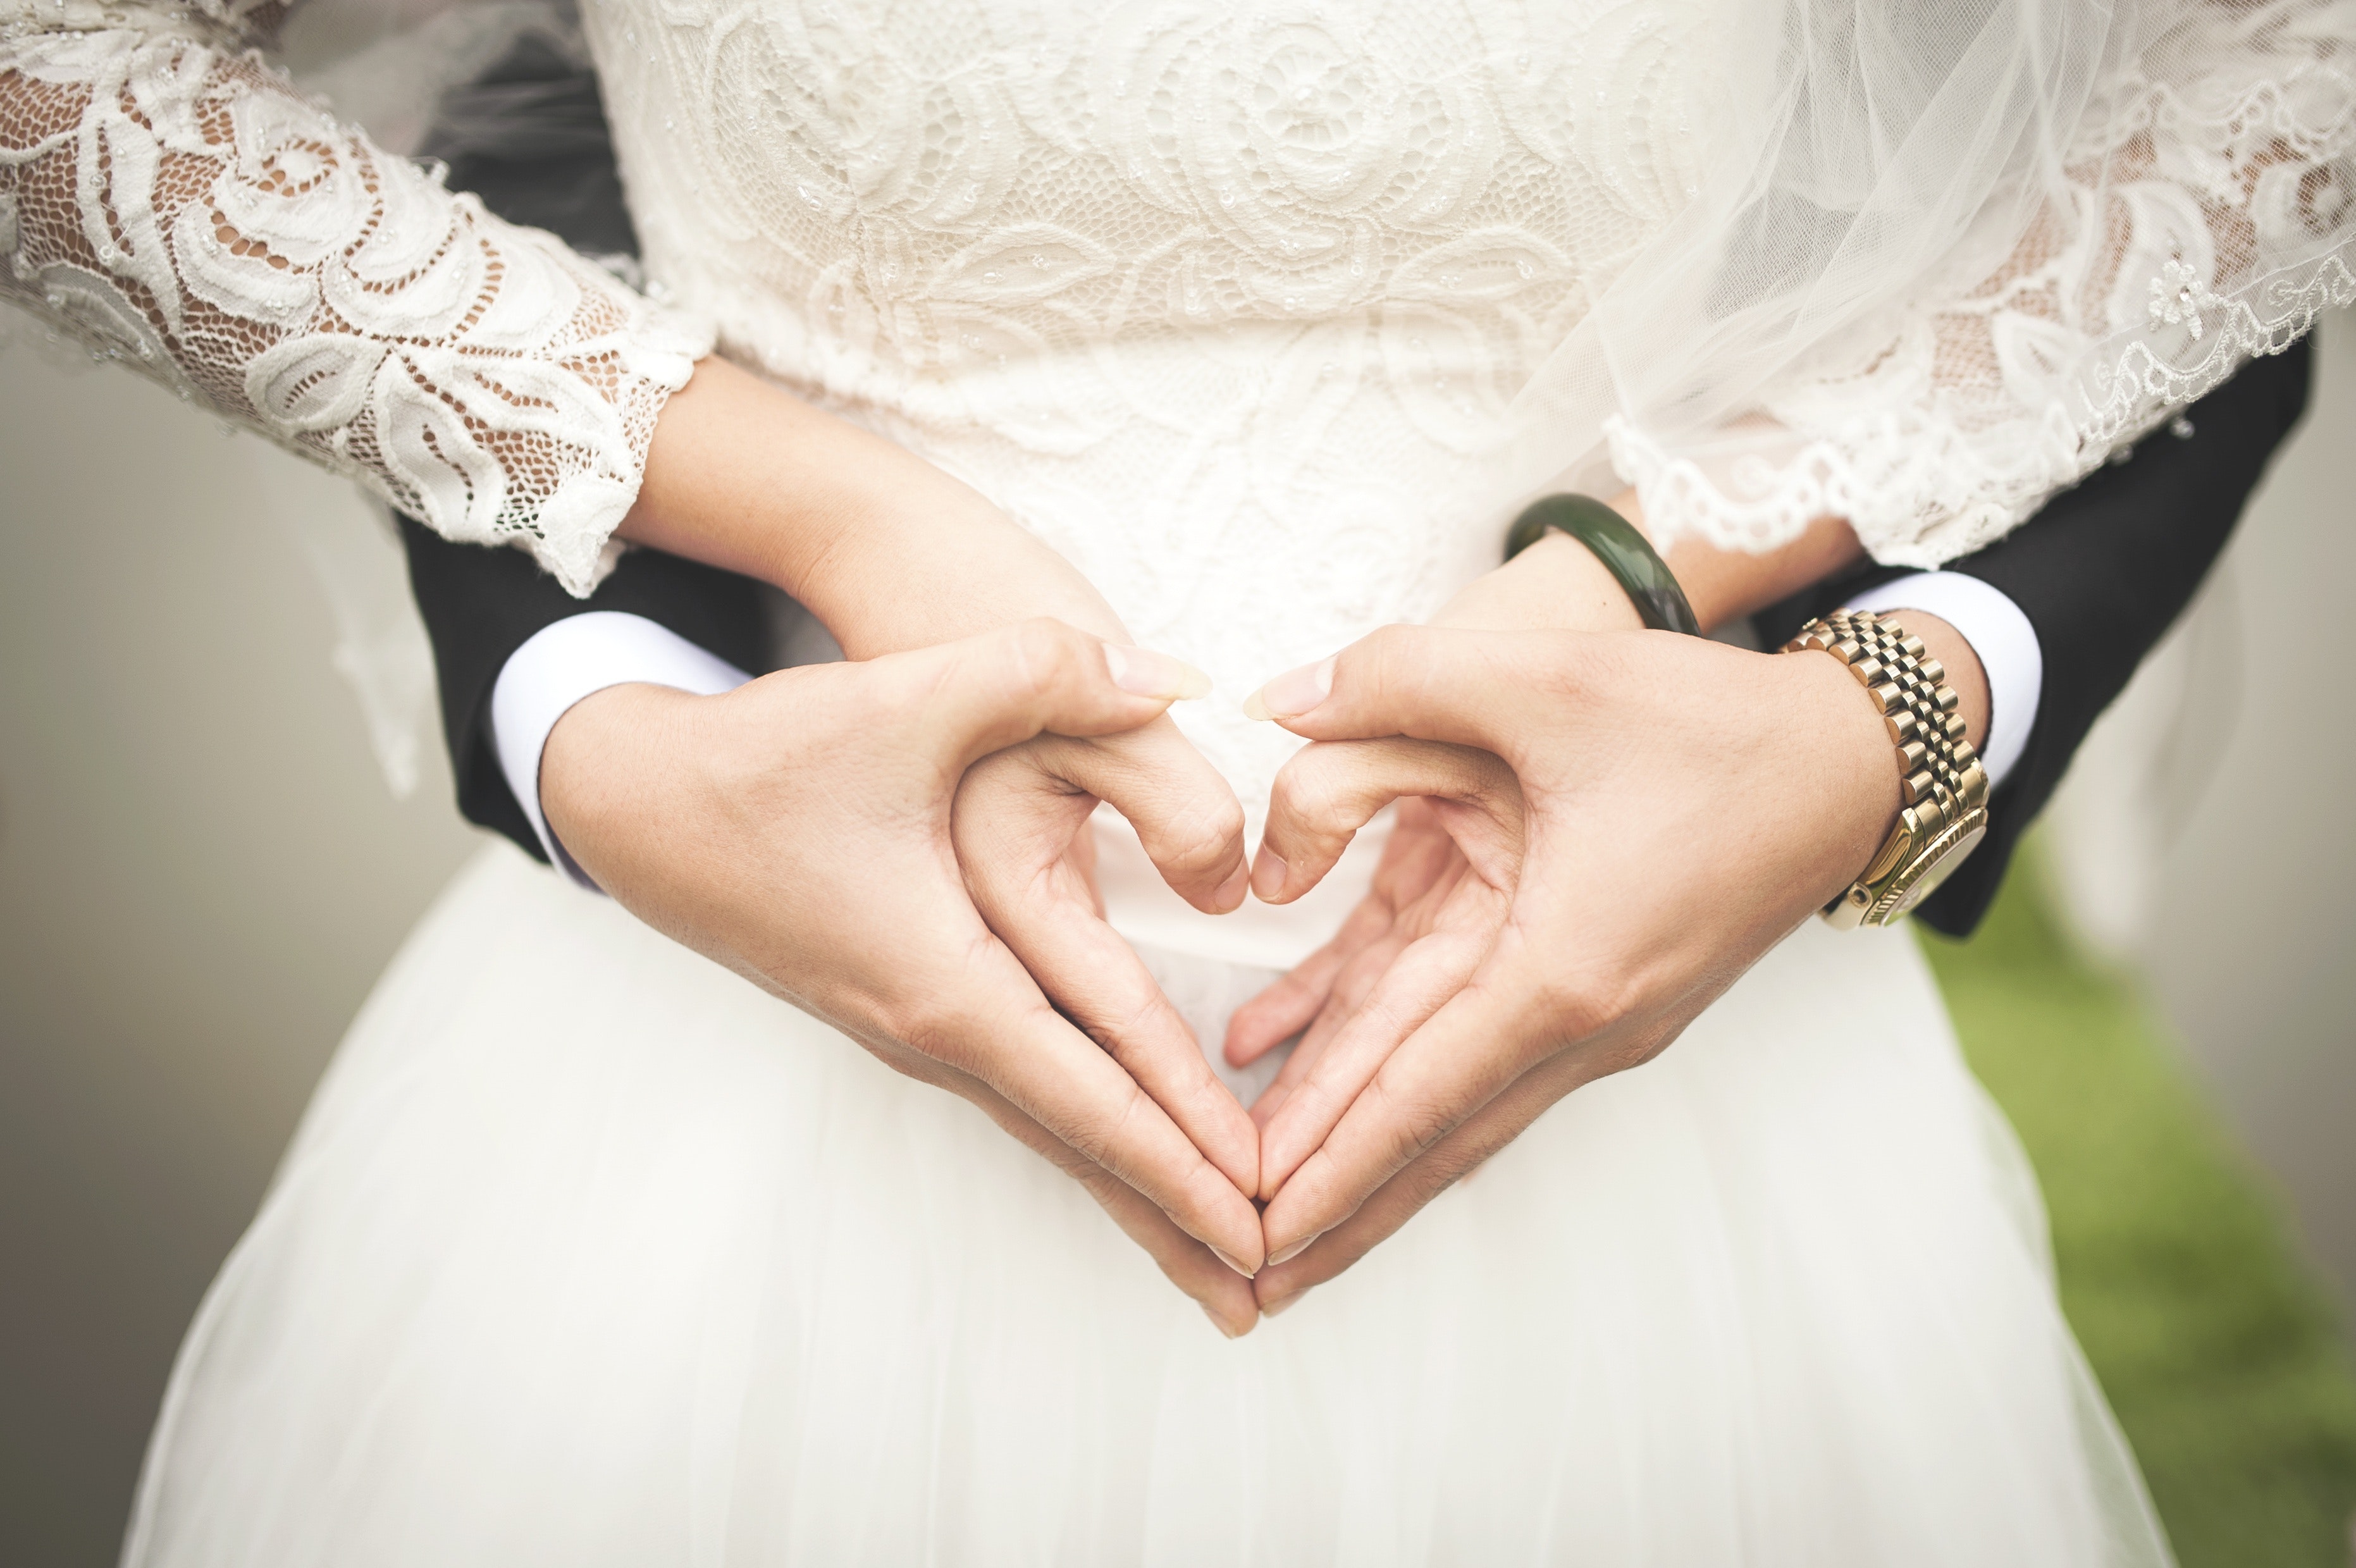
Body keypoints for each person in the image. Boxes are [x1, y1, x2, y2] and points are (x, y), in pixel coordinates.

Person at [3, 1, 2347, 1561]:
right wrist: (809, 525)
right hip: (734, 1104)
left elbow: (2272, 83)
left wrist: (1771, 659)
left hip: (1656, 1104)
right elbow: (65, 75)